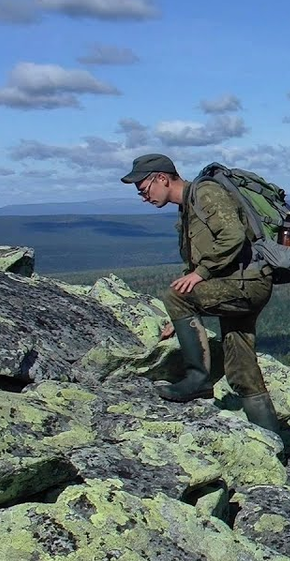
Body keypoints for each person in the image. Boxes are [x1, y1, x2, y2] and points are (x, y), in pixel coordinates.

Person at [120, 153, 280, 438]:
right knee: (241, 368)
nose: (144, 197)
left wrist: (201, 275)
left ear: (162, 178)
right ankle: (272, 442)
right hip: (240, 284)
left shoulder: (206, 193)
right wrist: (183, 319)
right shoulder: (189, 206)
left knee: (175, 295)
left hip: (247, 284)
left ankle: (197, 379)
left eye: (144, 189)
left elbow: (233, 236)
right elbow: (194, 265)